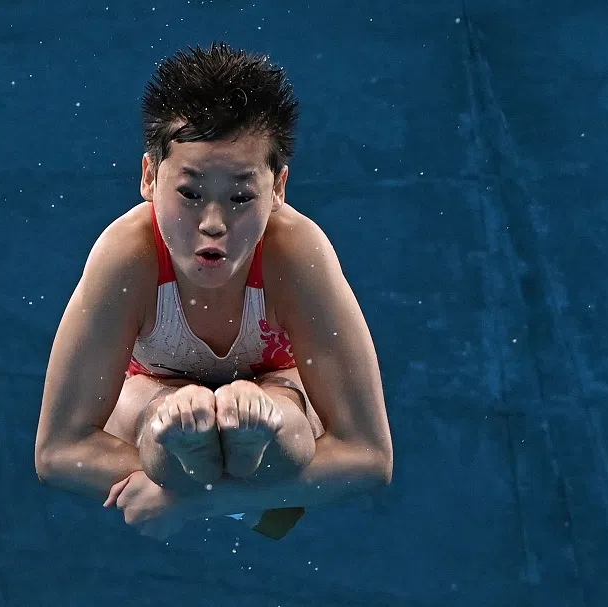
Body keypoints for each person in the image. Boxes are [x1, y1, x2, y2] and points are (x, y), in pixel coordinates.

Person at [35, 42, 393, 541]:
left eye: (242, 197)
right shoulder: (127, 255)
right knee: (164, 418)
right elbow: (58, 451)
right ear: (149, 177)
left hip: (274, 409)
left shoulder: (297, 254)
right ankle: (214, 437)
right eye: (189, 193)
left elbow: (370, 456)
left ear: (279, 189)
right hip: (154, 406)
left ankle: (248, 433)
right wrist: (238, 499)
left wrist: (192, 503)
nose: (212, 224)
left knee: (279, 416)